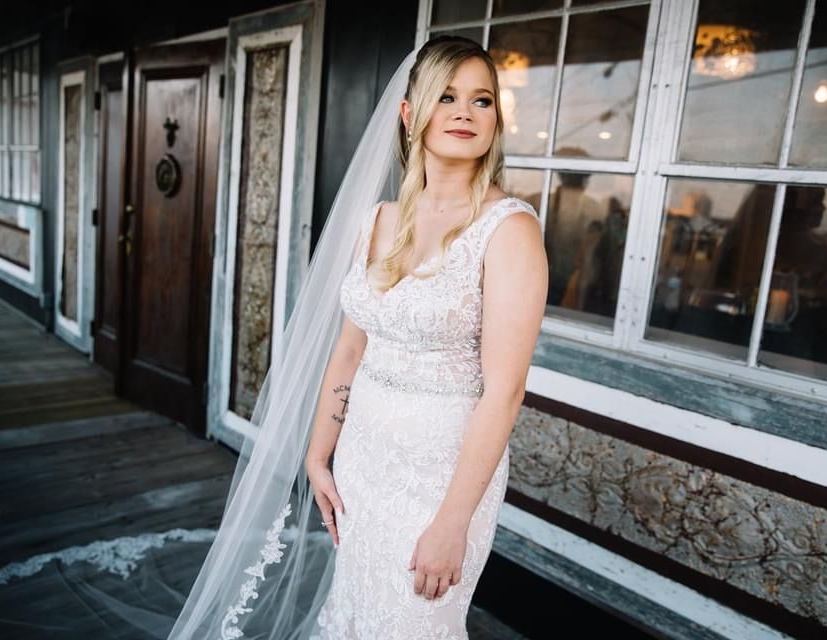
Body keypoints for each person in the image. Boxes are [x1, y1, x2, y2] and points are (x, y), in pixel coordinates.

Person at [168, 35, 548, 640]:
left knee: (413, 624)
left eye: (482, 101)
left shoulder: (509, 230)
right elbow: (350, 349)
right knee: (357, 613)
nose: (464, 113)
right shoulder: (379, 221)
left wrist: (453, 520)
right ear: (408, 113)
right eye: (446, 96)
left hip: (441, 475)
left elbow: (505, 392)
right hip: (365, 458)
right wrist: (320, 454)